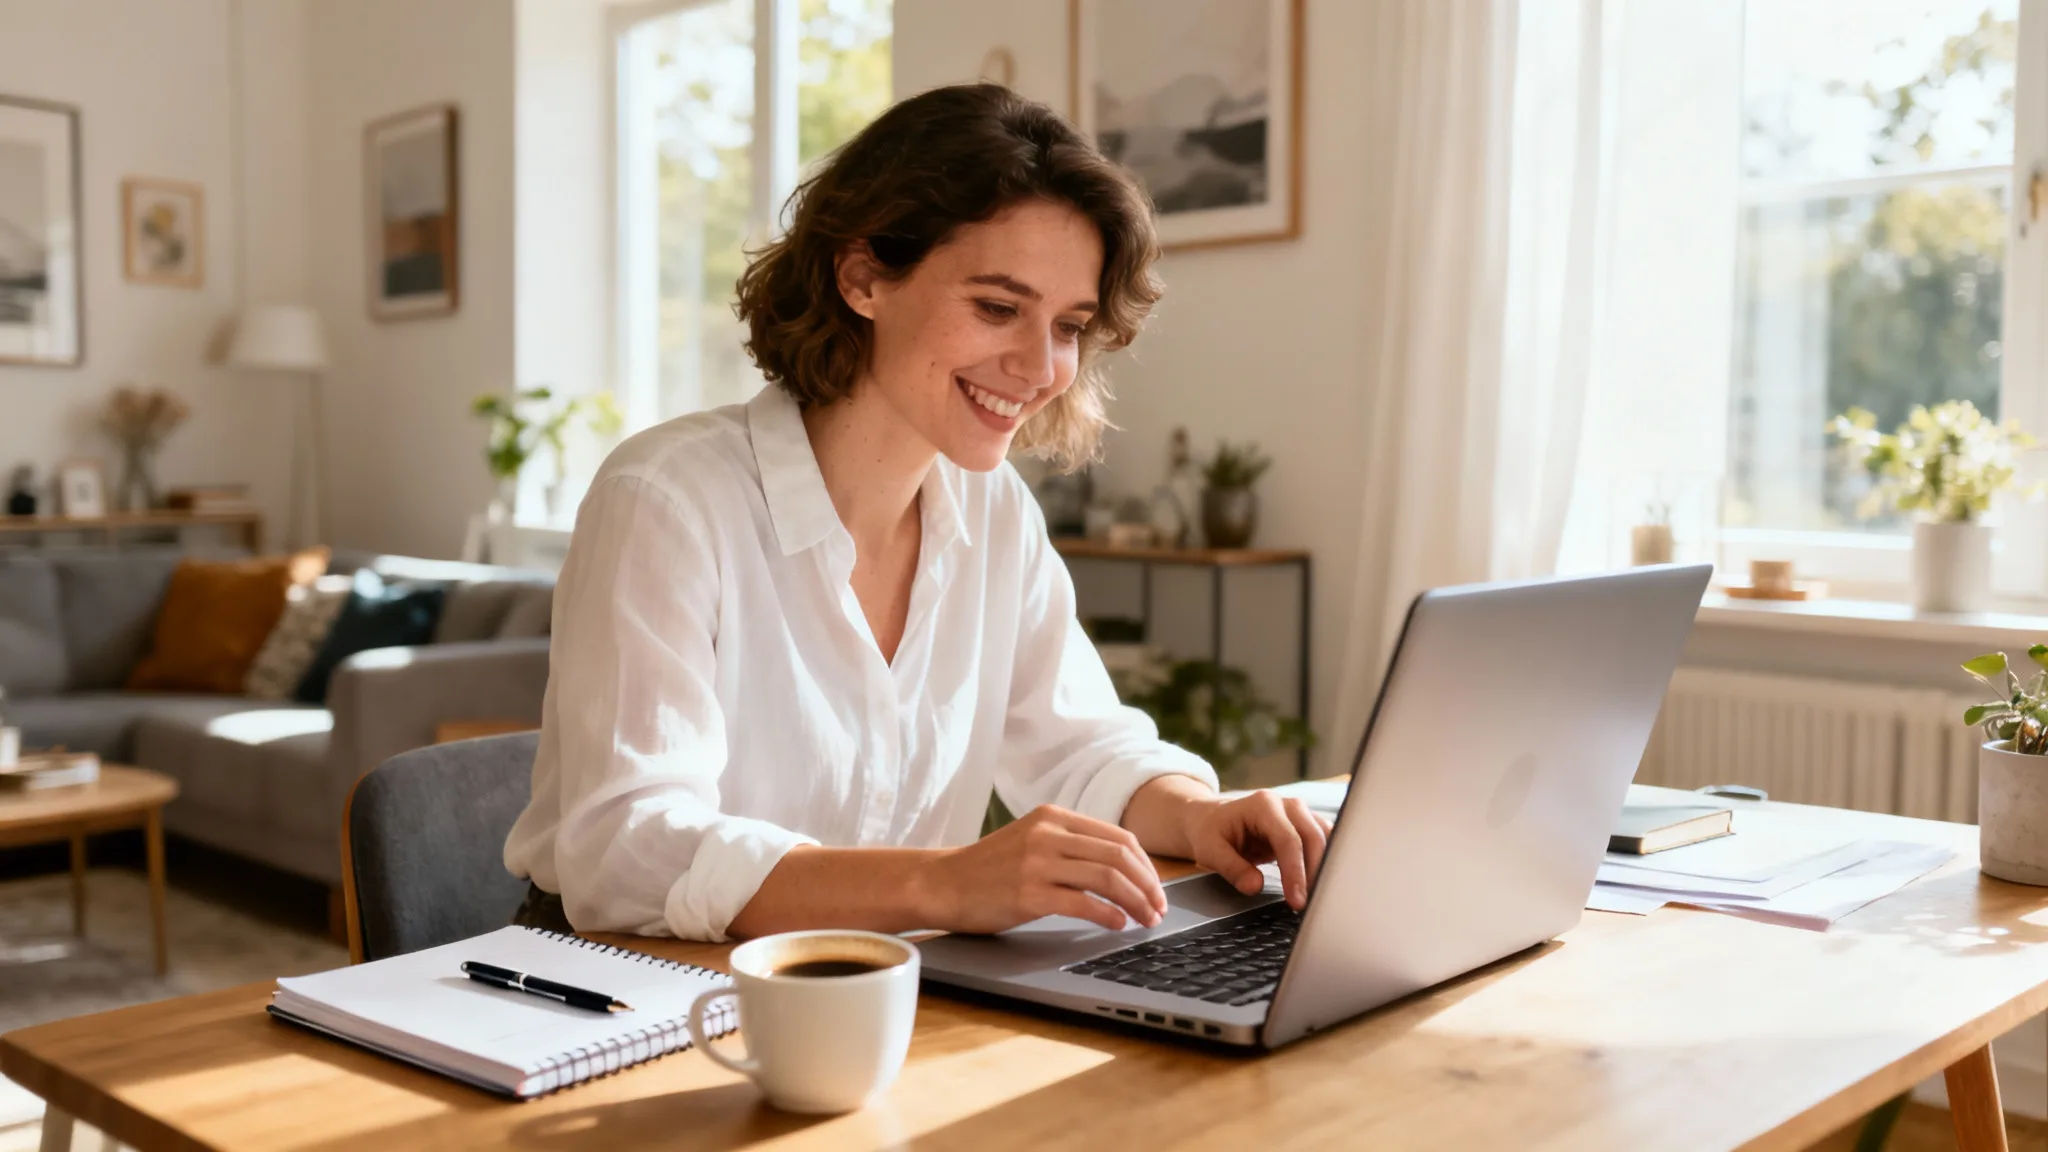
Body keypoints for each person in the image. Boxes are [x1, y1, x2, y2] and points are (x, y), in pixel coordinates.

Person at [504, 83, 1328, 943]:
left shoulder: (996, 514)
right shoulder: (667, 501)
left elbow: (1079, 746)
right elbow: (626, 848)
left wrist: (1199, 813)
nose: (1041, 366)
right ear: (862, 276)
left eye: (1068, 325)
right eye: (998, 308)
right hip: (628, 984)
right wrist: (940, 884)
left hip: (886, 983)